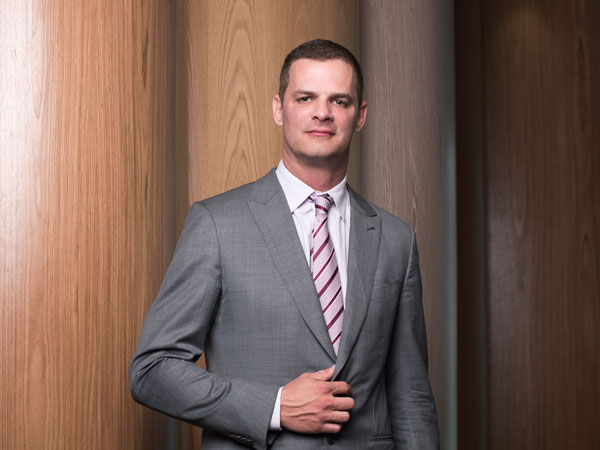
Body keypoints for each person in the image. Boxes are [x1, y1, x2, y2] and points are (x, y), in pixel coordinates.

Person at [130, 39, 439, 450]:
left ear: (360, 115)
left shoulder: (396, 240)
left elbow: (411, 396)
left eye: (339, 100)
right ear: (279, 109)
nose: (322, 112)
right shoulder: (217, 224)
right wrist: (274, 407)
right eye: (305, 97)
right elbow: (152, 369)